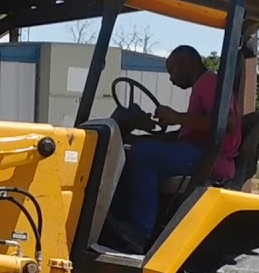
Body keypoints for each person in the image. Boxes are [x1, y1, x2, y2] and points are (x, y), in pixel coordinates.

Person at [101, 45, 243, 252]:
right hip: (196, 152)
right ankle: (117, 224)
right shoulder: (202, 86)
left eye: (172, 71)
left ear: (186, 60)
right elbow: (194, 129)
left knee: (143, 156)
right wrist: (152, 131)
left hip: (211, 159)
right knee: (132, 149)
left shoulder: (210, 81)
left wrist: (176, 117)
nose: (171, 79)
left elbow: (227, 123)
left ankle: (138, 232)